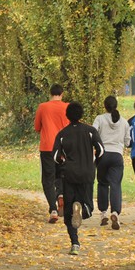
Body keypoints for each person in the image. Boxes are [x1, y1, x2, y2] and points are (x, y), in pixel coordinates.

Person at [53, 101, 104, 255]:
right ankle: (82, 210)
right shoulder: (90, 131)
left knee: (68, 211)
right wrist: (93, 163)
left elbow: (55, 157)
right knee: (89, 206)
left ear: (67, 116)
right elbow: (101, 151)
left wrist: (64, 163)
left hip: (69, 174)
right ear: (81, 114)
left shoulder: (62, 134)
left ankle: (75, 243)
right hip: (87, 173)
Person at [92, 96, 131, 230]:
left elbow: (92, 133)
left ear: (105, 106)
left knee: (102, 183)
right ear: (116, 105)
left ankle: (103, 213)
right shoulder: (124, 122)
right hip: (117, 156)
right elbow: (127, 142)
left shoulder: (100, 118)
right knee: (115, 184)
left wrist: (96, 145)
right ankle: (115, 212)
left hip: (102, 155)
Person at [34, 84, 70, 223]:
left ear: (50, 93)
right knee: (61, 174)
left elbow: (37, 127)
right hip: (63, 147)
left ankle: (53, 209)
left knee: (48, 179)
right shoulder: (67, 107)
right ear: (62, 94)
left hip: (47, 147)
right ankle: (60, 194)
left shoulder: (43, 107)